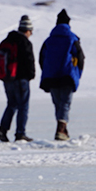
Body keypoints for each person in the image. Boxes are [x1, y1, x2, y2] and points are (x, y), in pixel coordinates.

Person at [39, 9, 85, 141]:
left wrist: (46, 71)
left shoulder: (49, 40)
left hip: (51, 76)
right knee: (65, 103)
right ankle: (60, 130)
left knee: (58, 103)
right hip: (67, 75)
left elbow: (42, 58)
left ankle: (63, 130)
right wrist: (77, 73)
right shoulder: (72, 38)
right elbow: (80, 57)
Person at [0, 15, 36, 142]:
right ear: (28, 30)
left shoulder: (7, 40)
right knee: (23, 106)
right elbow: (29, 61)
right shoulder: (25, 42)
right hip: (21, 79)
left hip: (7, 79)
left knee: (11, 104)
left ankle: (2, 129)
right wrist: (31, 75)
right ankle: (20, 133)